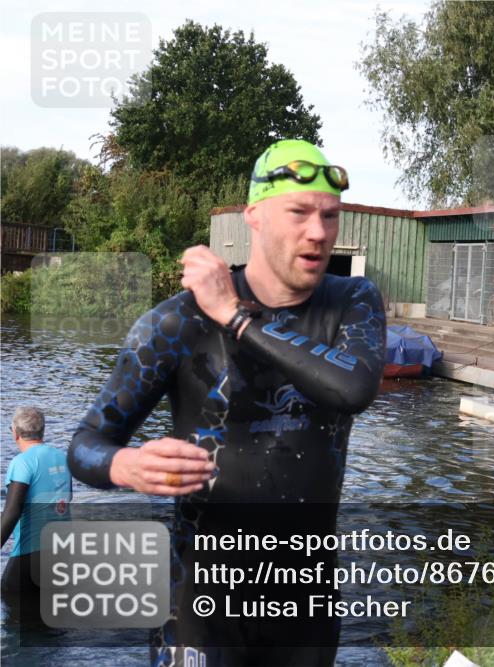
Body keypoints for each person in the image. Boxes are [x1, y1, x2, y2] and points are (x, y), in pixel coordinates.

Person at [69, 139, 386, 666]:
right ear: (254, 217)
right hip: (200, 604)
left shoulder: (352, 301)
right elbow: (85, 445)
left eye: (330, 217)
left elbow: (353, 389)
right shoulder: (176, 324)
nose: (319, 232)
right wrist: (126, 465)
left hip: (305, 606)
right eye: (300, 213)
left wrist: (235, 315)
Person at [1, 406, 72, 622]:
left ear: (15, 432)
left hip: (28, 560)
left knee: (15, 628)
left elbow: (11, 513)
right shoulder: (63, 458)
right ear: (43, 431)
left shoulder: (21, 463)